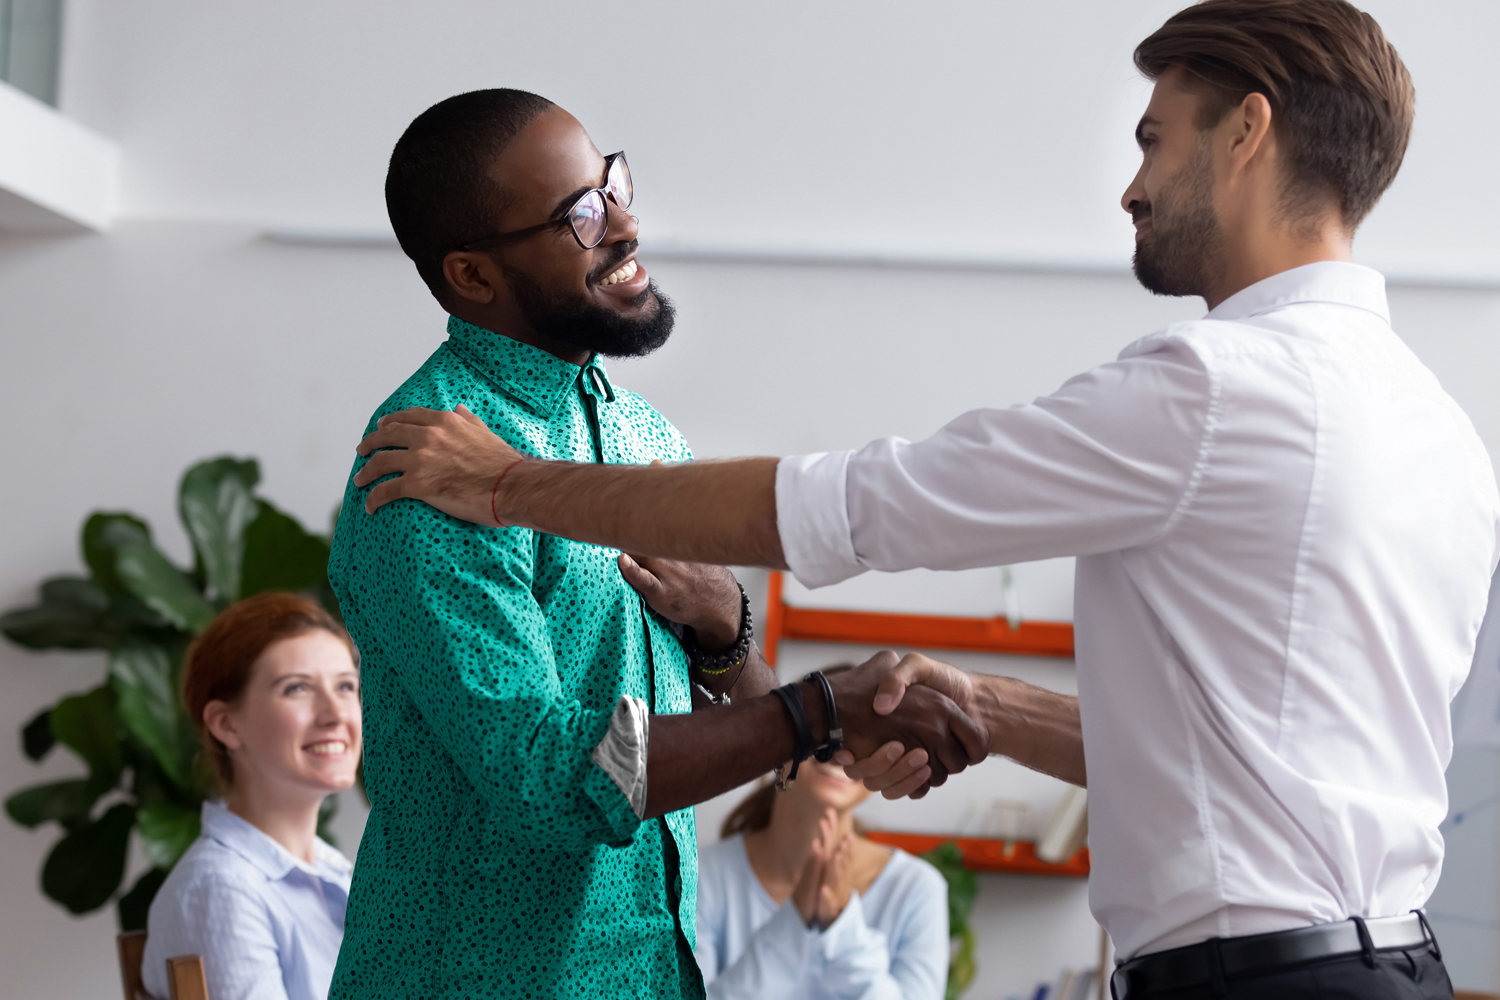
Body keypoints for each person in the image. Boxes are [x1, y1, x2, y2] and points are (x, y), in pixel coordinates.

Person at [352, 2, 1499, 997]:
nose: (1130, 185)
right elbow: (1225, 755)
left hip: (1251, 978)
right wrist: (953, 702)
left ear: (1248, 132)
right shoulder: (1438, 427)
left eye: (1154, 140)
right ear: (472, 271)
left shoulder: (1218, 387)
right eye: (584, 212)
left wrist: (511, 489)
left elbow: (859, 505)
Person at [326, 90, 984, 1000]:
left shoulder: (644, 438)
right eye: (579, 216)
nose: (625, 225)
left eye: (613, 183)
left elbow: (735, 706)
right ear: (473, 277)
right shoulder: (423, 471)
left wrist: (728, 636)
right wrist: (817, 710)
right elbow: (548, 779)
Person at [143, 593, 361, 1000]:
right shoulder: (221, 888)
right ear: (226, 725)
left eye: (346, 686)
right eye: (297, 688)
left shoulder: (333, 871)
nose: (336, 714)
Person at [697, 758, 949, 999]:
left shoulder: (917, 889)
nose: (841, 752)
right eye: (825, 725)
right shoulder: (700, 878)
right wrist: (793, 921)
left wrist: (842, 925)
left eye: (864, 733)